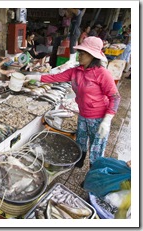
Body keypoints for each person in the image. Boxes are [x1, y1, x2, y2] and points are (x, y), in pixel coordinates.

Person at [37, 36, 121, 168]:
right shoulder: (76, 71)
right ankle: (79, 163)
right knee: (81, 142)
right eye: (80, 53)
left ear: (92, 56)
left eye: (83, 53)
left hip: (99, 117)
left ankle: (93, 176)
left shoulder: (102, 74)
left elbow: (115, 97)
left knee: (96, 150)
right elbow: (55, 77)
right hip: (83, 114)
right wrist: (33, 77)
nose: (79, 56)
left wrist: (107, 119)